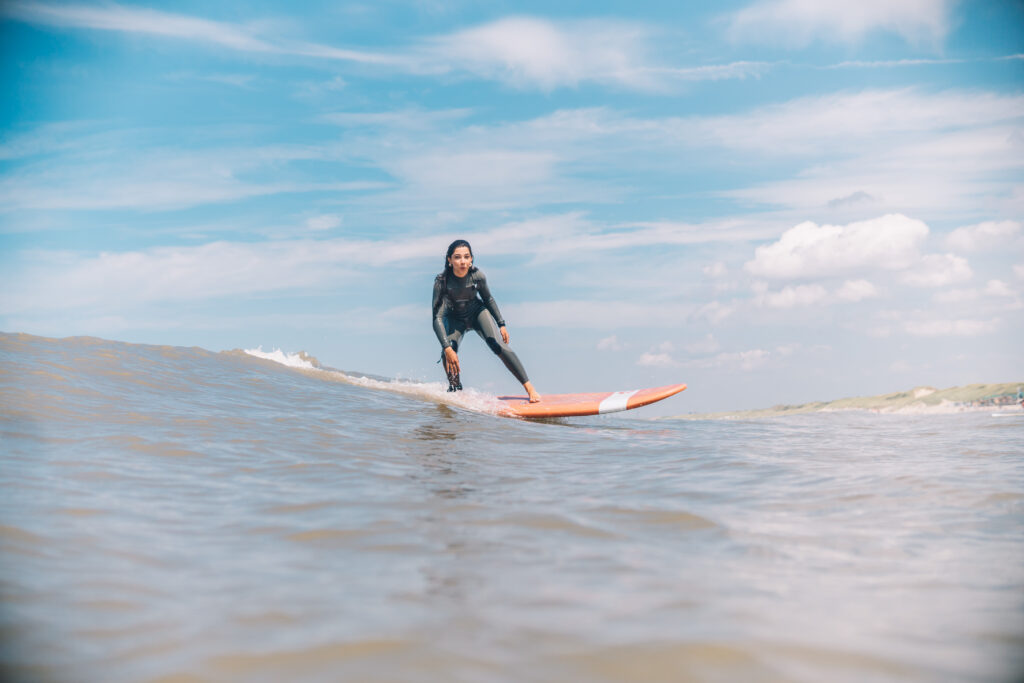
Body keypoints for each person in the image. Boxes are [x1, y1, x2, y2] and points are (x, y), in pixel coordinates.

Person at [432, 239, 541, 402]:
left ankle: (531, 390)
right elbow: (437, 317)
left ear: (471, 259)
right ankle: (456, 393)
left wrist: (501, 324)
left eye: (466, 257)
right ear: (449, 260)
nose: (462, 261)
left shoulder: (477, 276)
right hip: (455, 319)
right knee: (448, 351)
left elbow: (488, 299)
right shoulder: (442, 283)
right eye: (457, 257)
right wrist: (447, 348)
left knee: (497, 345)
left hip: (477, 313)